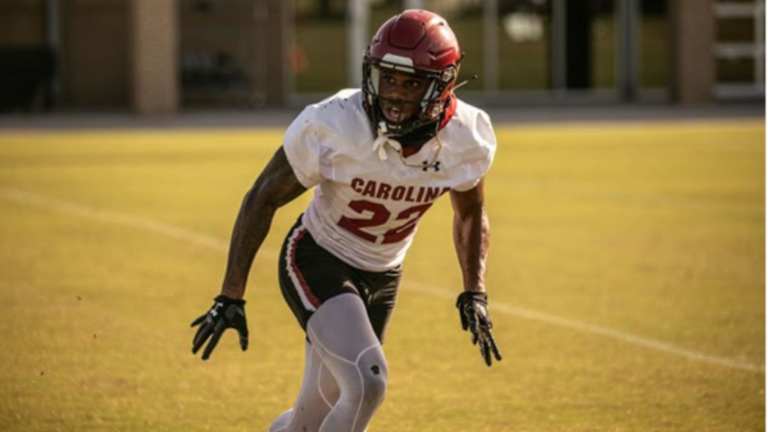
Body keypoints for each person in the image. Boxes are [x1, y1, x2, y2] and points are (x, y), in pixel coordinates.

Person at [190, 9, 502, 432]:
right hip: (318, 256)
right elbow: (262, 198)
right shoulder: (334, 123)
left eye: (411, 83)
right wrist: (230, 294)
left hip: (384, 274)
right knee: (367, 383)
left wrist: (475, 290)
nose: (393, 93)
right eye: (387, 78)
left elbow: (470, 214)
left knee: (312, 416)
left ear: (442, 86)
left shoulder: (466, 137)